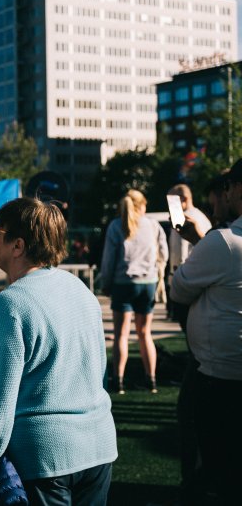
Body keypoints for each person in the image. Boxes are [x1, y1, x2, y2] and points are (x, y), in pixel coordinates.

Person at [0, 198, 117, 505]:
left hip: (45, 457)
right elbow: (98, 370)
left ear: (17, 245)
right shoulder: (81, 291)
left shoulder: (11, 304)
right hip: (99, 444)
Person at [169, 159, 242, 504]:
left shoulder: (225, 242)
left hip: (219, 373)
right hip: (220, 366)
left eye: (227, 188)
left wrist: (201, 243)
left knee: (217, 461)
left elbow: (179, 289)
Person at [100, 189, 168, 394]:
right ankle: (151, 380)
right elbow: (163, 253)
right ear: (142, 206)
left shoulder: (115, 226)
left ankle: (118, 381)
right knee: (144, 333)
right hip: (147, 283)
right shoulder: (153, 225)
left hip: (123, 283)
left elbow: (109, 259)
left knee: (121, 334)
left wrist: (106, 282)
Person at [166, 184, 212, 328]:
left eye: (172, 201)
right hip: (201, 274)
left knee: (188, 323)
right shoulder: (201, 216)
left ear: (184, 199)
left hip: (187, 276)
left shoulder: (185, 218)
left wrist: (174, 278)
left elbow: (180, 251)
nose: (170, 206)